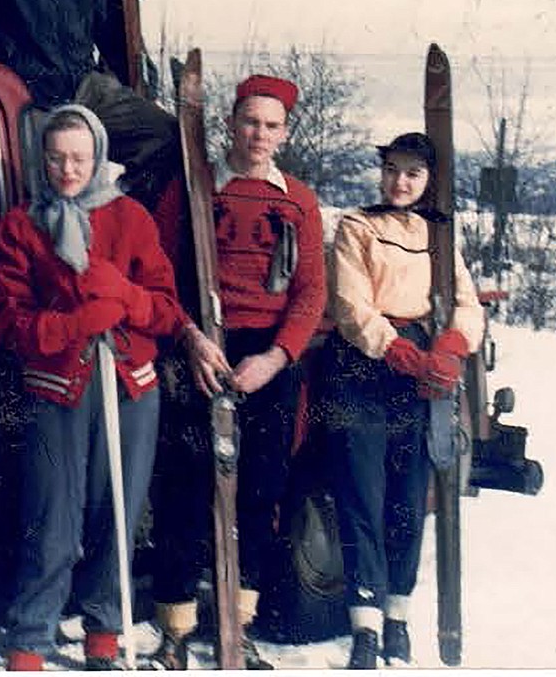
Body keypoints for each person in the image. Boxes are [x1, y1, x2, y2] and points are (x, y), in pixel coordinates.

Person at [0, 104, 189, 670]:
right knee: (51, 516)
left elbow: (168, 311)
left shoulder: (132, 218)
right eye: (56, 158)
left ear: (98, 156)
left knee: (117, 511)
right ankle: (32, 633)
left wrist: (124, 297)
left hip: (130, 387)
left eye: (79, 158)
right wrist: (76, 323)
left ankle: (104, 630)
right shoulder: (21, 225)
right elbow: (9, 321)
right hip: (56, 386)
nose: (68, 170)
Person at [149, 74, 327, 669]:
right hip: (202, 349)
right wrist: (192, 339)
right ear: (231, 123)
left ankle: (237, 624)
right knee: (186, 489)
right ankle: (175, 624)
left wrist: (275, 359)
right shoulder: (193, 190)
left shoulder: (299, 200)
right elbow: (160, 279)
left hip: (267, 359)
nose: (260, 135)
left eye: (272, 125)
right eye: (250, 121)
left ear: (285, 132)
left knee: (259, 492)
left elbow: (310, 295)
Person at [321, 132, 484, 668]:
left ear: (428, 181)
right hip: (364, 365)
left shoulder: (439, 237)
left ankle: (397, 617)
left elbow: (467, 302)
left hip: (421, 371)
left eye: (413, 173)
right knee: (361, 494)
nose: (400, 182)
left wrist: (453, 345)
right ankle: (363, 623)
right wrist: (398, 354)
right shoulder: (356, 226)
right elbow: (350, 303)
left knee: (409, 496)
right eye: (393, 170)